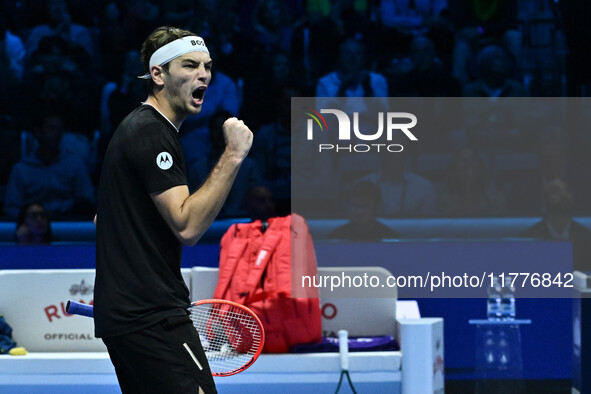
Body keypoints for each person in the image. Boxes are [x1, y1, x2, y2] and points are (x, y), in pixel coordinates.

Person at [93, 26, 252, 394]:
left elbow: (105, 219)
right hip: (151, 317)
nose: (204, 75)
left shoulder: (141, 129)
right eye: (190, 65)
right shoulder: (150, 132)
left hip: (130, 316)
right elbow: (188, 225)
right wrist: (233, 154)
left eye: (208, 66)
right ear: (158, 74)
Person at [3, 111, 95, 219]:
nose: (57, 133)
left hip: (69, 223)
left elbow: (86, 199)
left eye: (60, 129)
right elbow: (11, 208)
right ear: (38, 132)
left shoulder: (75, 164)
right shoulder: (21, 169)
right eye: (52, 128)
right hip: (33, 227)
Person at [328, 180, 400, 241]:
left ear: (376, 208)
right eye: (354, 205)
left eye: (365, 206)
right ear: (347, 207)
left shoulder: (390, 239)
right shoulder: (335, 238)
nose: (359, 211)